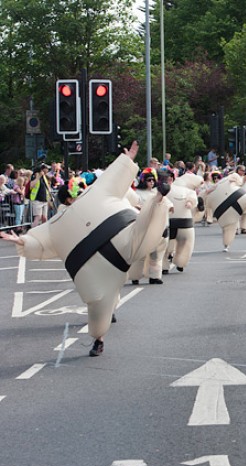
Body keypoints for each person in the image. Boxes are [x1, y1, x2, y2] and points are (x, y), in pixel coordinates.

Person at [0, 142, 172, 357]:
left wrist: (126, 161)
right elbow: (40, 243)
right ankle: (98, 338)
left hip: (125, 242)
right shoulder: (56, 225)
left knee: (144, 224)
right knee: (100, 303)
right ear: (69, 198)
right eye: (78, 191)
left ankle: (158, 201)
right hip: (98, 269)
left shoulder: (95, 195)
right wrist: (22, 242)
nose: (82, 192)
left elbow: (112, 178)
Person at [29, 163, 52, 228]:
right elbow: (31, 186)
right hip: (37, 200)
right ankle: (32, 232)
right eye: (46, 169)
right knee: (38, 217)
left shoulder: (44, 176)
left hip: (44, 200)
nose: (47, 170)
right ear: (42, 169)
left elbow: (46, 187)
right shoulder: (35, 175)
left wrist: (49, 198)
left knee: (44, 218)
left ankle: (43, 231)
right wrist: (38, 177)